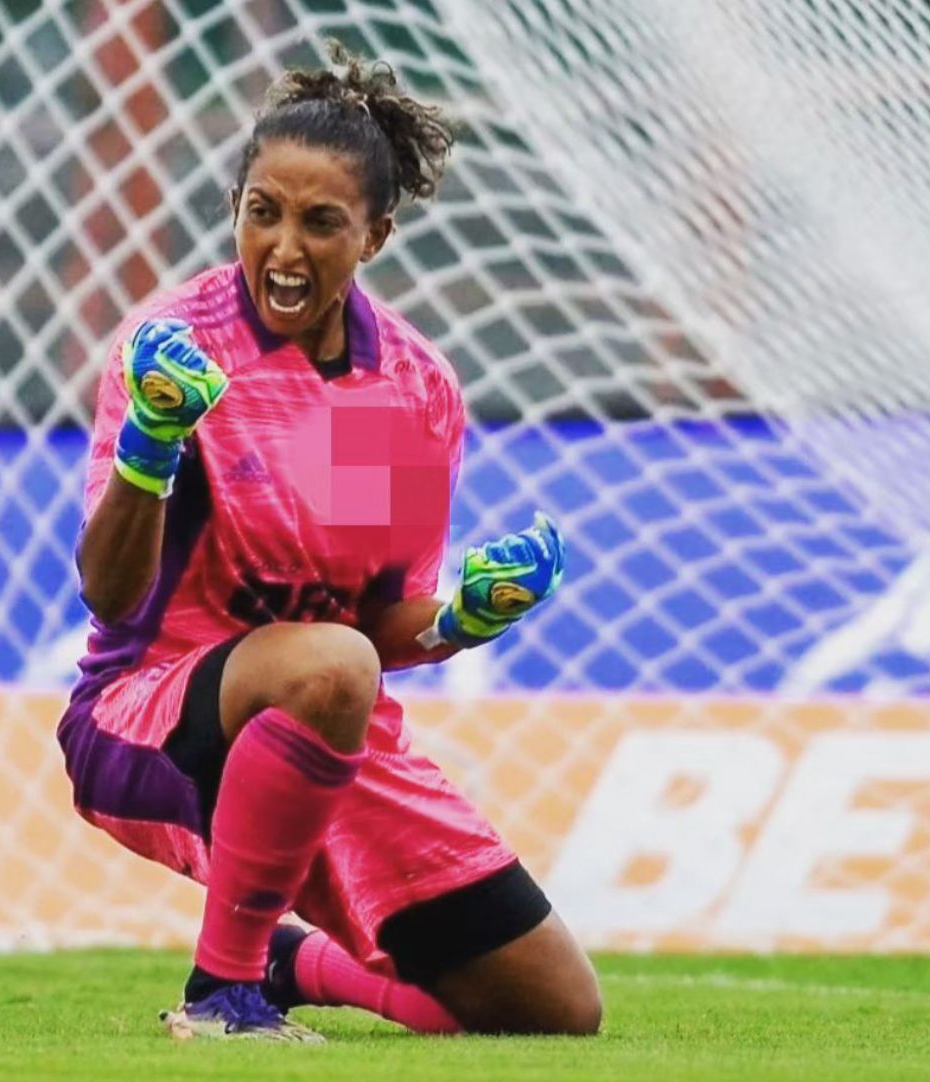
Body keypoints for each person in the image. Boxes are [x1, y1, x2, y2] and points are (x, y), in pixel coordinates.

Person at [60, 40, 602, 1042]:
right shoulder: (176, 344)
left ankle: (289, 958)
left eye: (320, 222)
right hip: (148, 712)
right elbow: (110, 594)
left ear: (377, 235)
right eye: (261, 210)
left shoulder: (403, 390)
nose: (283, 247)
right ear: (236, 207)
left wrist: (463, 617)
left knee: (550, 1009)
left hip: (321, 716)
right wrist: (150, 442)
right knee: (331, 665)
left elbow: (380, 629)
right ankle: (223, 992)